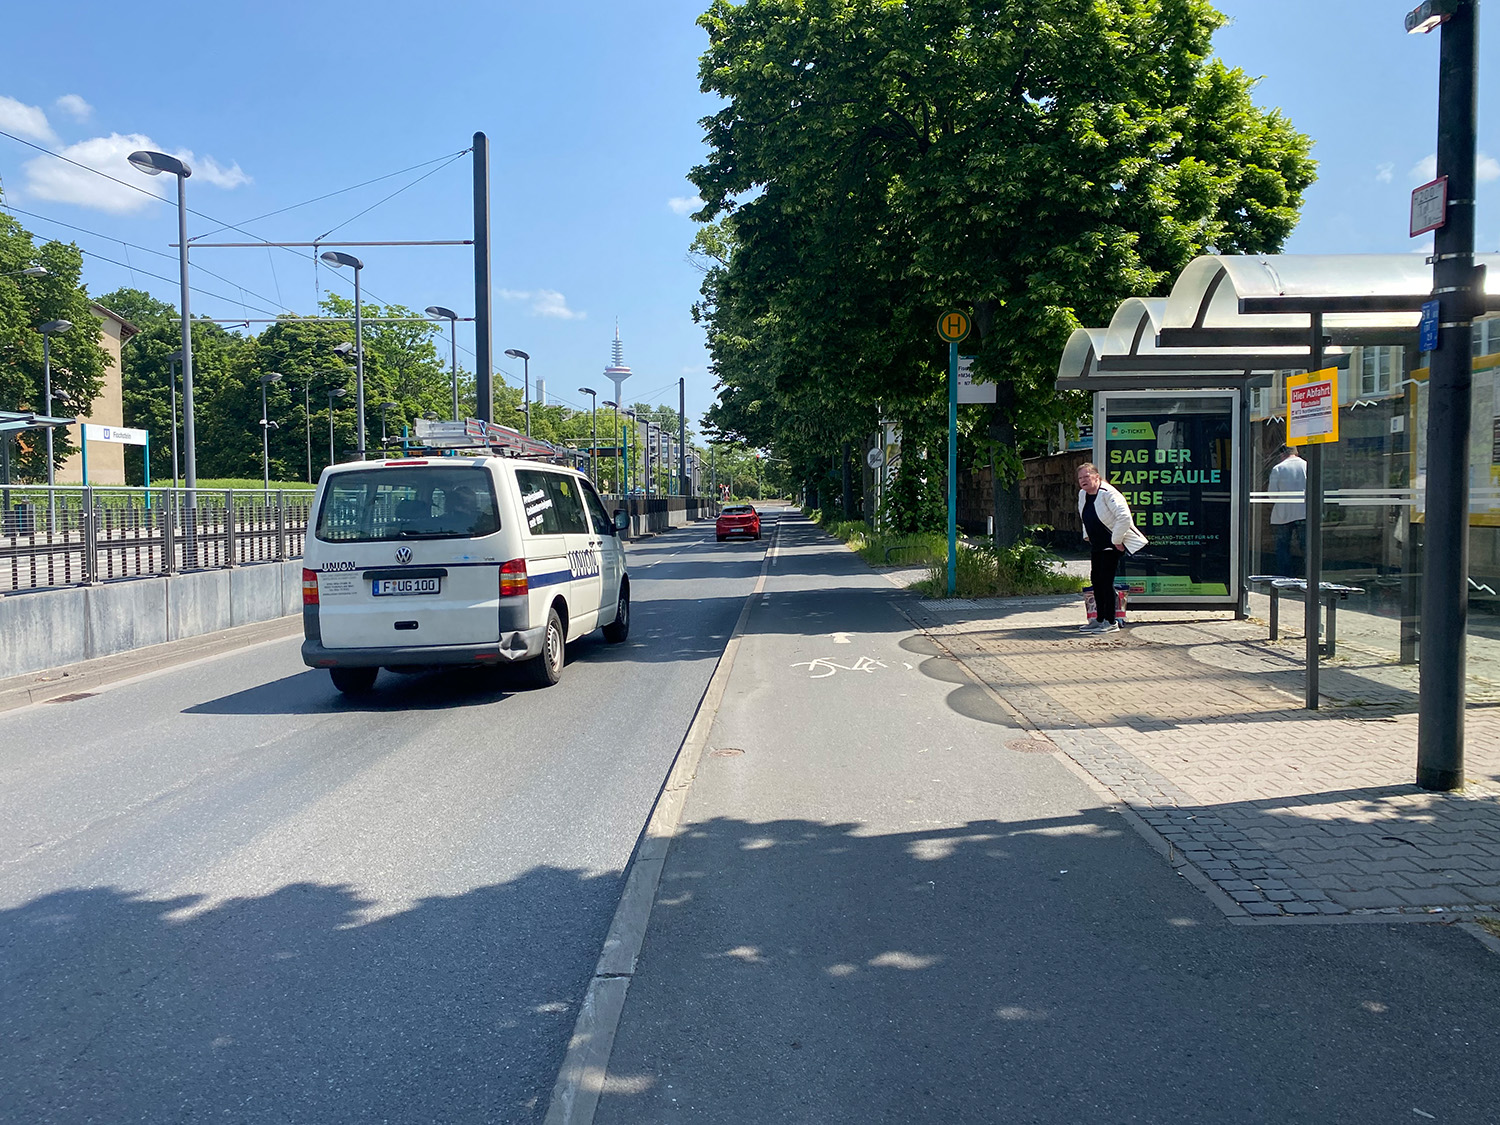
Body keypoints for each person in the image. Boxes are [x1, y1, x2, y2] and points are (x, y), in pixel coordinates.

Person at [1076, 462, 1149, 634]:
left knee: (1105, 581)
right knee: (1096, 580)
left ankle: (1110, 621)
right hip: (1097, 544)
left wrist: (1116, 540)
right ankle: (1099, 619)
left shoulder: (1108, 493)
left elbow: (1124, 517)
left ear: (1096, 477)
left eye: (1087, 476)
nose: (1083, 480)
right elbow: (1085, 515)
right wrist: (1087, 535)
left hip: (1111, 544)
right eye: (1080, 478)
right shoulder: (1083, 494)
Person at [1268, 444, 1307, 578]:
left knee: (1283, 546)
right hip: (1304, 512)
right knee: (1306, 546)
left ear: (1282, 454)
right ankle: (1309, 575)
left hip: (1283, 514)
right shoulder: (1307, 466)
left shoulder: (1278, 468)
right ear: (1296, 452)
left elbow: (1272, 495)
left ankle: (1285, 576)